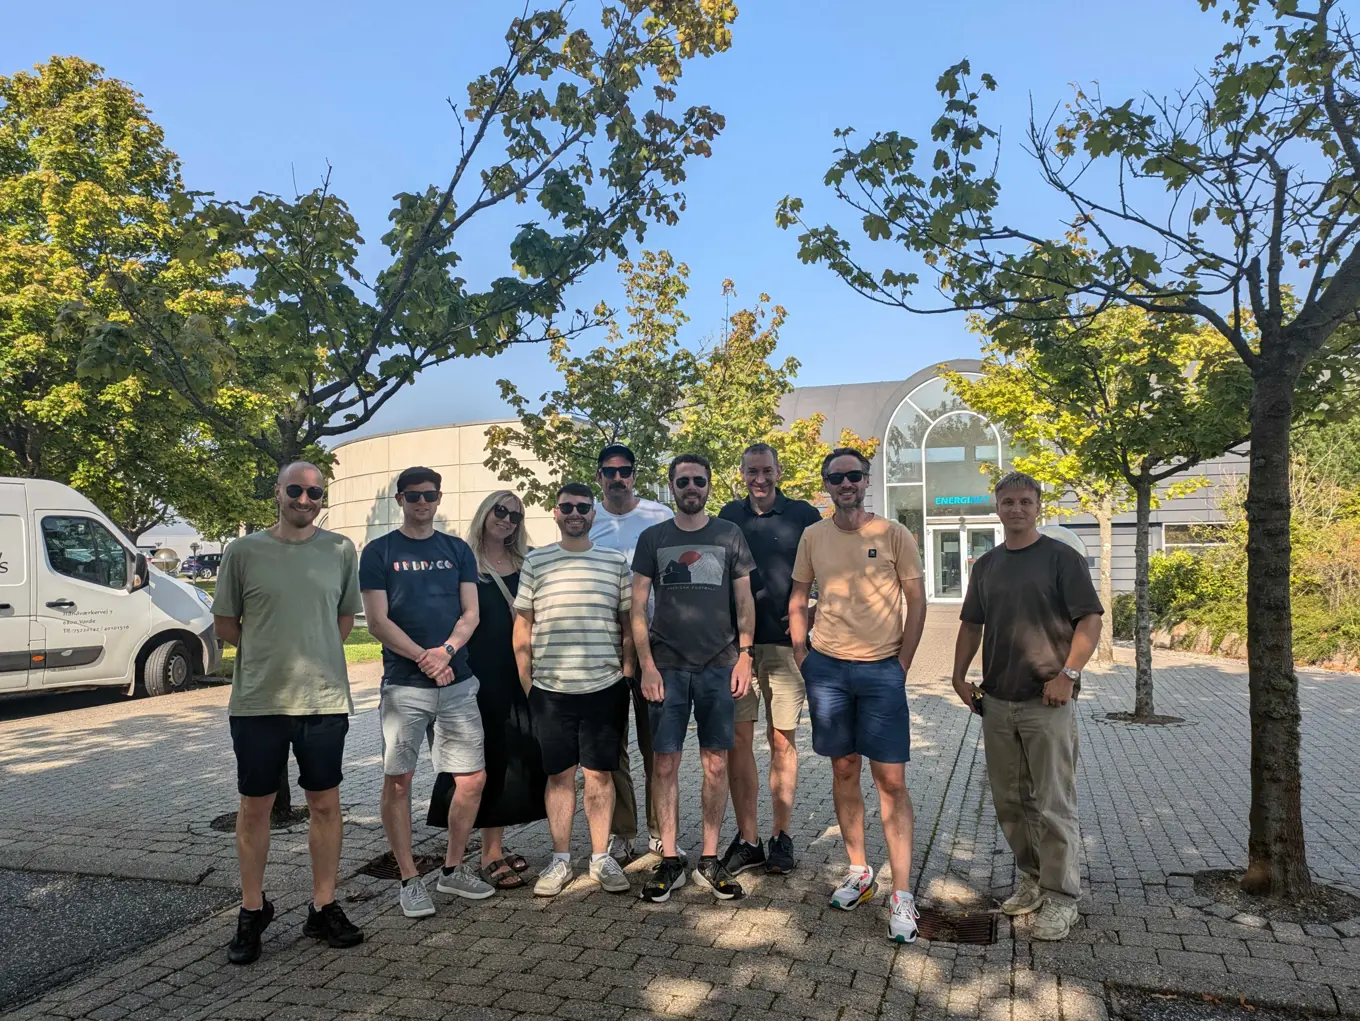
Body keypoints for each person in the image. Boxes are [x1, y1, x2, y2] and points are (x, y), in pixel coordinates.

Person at [213, 461, 365, 964]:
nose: (305, 499)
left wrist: (312, 653)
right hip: (258, 702)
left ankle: (323, 906)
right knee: (255, 807)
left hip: (323, 701)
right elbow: (227, 626)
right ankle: (252, 909)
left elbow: (342, 621)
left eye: (315, 492)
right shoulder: (243, 551)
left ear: (324, 497)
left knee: (325, 804)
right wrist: (270, 654)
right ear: (277, 492)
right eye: (296, 490)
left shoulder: (341, 550)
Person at [951, 471, 1103, 942]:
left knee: (1054, 804)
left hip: (1047, 699)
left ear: (1038, 506)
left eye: (1025, 501)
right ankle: (1032, 879)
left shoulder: (1061, 558)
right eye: (1008, 501)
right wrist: (958, 676)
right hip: (996, 700)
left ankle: (1062, 899)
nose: (1016, 509)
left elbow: (1090, 620)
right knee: (1011, 801)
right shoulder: (987, 565)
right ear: (997, 508)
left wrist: (1068, 674)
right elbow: (971, 625)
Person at [788, 447, 927, 943]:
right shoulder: (813, 535)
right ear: (825, 484)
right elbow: (798, 596)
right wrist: (805, 658)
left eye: (853, 475)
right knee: (843, 769)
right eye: (836, 477)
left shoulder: (894, 533)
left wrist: (903, 663)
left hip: (881, 671)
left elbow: (917, 601)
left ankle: (903, 895)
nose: (845, 483)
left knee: (890, 781)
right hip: (828, 671)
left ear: (866, 481)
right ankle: (860, 871)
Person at [360, 466, 494, 917]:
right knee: (399, 782)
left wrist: (448, 652)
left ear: (439, 498)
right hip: (404, 688)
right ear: (400, 499)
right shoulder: (379, 551)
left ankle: (452, 871)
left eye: (430, 495)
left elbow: (471, 613)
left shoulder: (456, 550)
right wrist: (425, 658)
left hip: (457, 684)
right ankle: (409, 878)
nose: (423, 503)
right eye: (414, 496)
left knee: (472, 779)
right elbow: (378, 622)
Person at [632, 453, 756, 902]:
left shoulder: (729, 534)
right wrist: (646, 665)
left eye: (698, 480)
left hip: (719, 666)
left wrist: (745, 657)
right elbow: (637, 608)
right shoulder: (653, 538)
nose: (691, 487)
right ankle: (669, 859)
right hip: (666, 668)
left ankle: (707, 858)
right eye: (683, 480)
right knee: (664, 763)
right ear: (671, 485)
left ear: (708, 485)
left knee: (716, 762)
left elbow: (744, 603)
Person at [513, 483, 635, 897]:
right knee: (559, 776)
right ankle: (560, 859)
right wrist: (528, 683)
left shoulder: (615, 562)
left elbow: (627, 624)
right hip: (551, 689)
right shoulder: (537, 561)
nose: (575, 513)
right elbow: (523, 625)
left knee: (600, 775)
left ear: (593, 513)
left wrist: (626, 672)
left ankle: (601, 858)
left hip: (604, 686)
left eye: (583, 507)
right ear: (555, 512)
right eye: (567, 506)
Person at [717, 442, 822, 876]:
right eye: (751, 471)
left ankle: (781, 835)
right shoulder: (727, 517)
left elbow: (830, 573)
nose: (759, 479)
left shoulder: (804, 516)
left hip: (783, 646)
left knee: (782, 741)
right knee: (738, 743)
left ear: (779, 471)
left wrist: (811, 611)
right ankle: (748, 839)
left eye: (766, 470)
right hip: (734, 650)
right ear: (741, 473)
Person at [589, 443, 676, 862]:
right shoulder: (587, 516)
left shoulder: (660, 516)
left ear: (635, 475)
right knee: (612, 747)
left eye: (625, 470)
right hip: (602, 646)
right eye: (610, 471)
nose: (617, 477)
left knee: (655, 745)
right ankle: (623, 831)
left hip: (653, 647)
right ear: (599, 476)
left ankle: (660, 830)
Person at [464, 490, 547, 890]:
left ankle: (493, 846)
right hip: (478, 674)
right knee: (478, 764)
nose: (507, 520)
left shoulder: (526, 561)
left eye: (515, 515)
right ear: (485, 512)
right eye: (500, 511)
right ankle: (480, 854)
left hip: (519, 671)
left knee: (512, 759)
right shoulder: (464, 562)